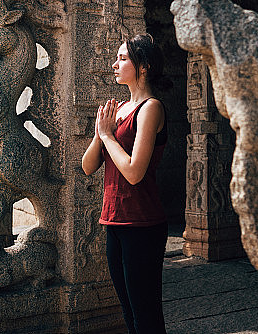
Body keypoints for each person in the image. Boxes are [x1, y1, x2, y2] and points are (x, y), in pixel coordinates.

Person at [82, 34, 168, 334]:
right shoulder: (116, 109)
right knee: (129, 313)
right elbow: (88, 165)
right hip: (114, 220)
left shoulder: (151, 108)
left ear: (143, 67)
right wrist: (100, 132)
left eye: (123, 58)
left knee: (146, 315)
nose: (115, 64)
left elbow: (134, 172)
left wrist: (108, 136)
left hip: (143, 223)